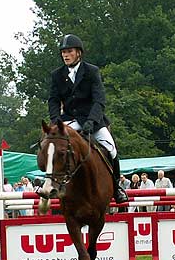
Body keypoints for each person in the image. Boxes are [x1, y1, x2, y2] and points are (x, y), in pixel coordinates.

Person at [48, 33, 128, 204]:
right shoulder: (57, 75)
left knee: (111, 148)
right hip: (68, 119)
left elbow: (99, 100)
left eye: (69, 51)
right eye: (63, 52)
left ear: (78, 53)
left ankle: (116, 188)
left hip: (93, 120)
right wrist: (55, 121)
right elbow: (53, 100)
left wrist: (92, 120)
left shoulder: (92, 71)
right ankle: (50, 183)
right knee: (52, 145)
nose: (65, 55)